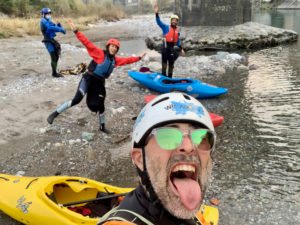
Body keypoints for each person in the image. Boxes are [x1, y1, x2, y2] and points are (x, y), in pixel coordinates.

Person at [98, 92, 217, 224]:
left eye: (201, 137)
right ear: (139, 159)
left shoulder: (196, 214)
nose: (189, 146)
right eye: (167, 136)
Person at [47, 20, 146, 133]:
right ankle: (54, 114)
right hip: (88, 79)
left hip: (99, 83)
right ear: (108, 46)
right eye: (112, 46)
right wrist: (76, 31)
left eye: (116, 47)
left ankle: (102, 127)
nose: (113, 48)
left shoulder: (115, 60)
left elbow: (128, 60)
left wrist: (139, 58)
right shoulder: (99, 53)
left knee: (100, 105)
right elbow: (87, 43)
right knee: (77, 99)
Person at [154, 3, 184, 78]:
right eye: (173, 20)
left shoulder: (177, 31)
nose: (174, 21)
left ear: (177, 22)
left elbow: (177, 41)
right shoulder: (165, 27)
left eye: (175, 20)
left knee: (171, 65)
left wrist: (181, 49)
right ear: (171, 21)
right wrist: (156, 13)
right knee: (164, 65)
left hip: (171, 50)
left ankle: (170, 78)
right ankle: (163, 78)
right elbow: (159, 22)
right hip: (165, 49)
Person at [40, 7, 66, 78]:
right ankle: (54, 73)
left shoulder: (49, 20)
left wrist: (59, 25)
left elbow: (55, 27)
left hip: (52, 39)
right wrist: (60, 29)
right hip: (47, 41)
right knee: (53, 56)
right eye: (47, 14)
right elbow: (50, 28)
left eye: (49, 13)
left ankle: (54, 71)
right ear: (43, 14)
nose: (48, 15)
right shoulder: (43, 21)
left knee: (56, 55)